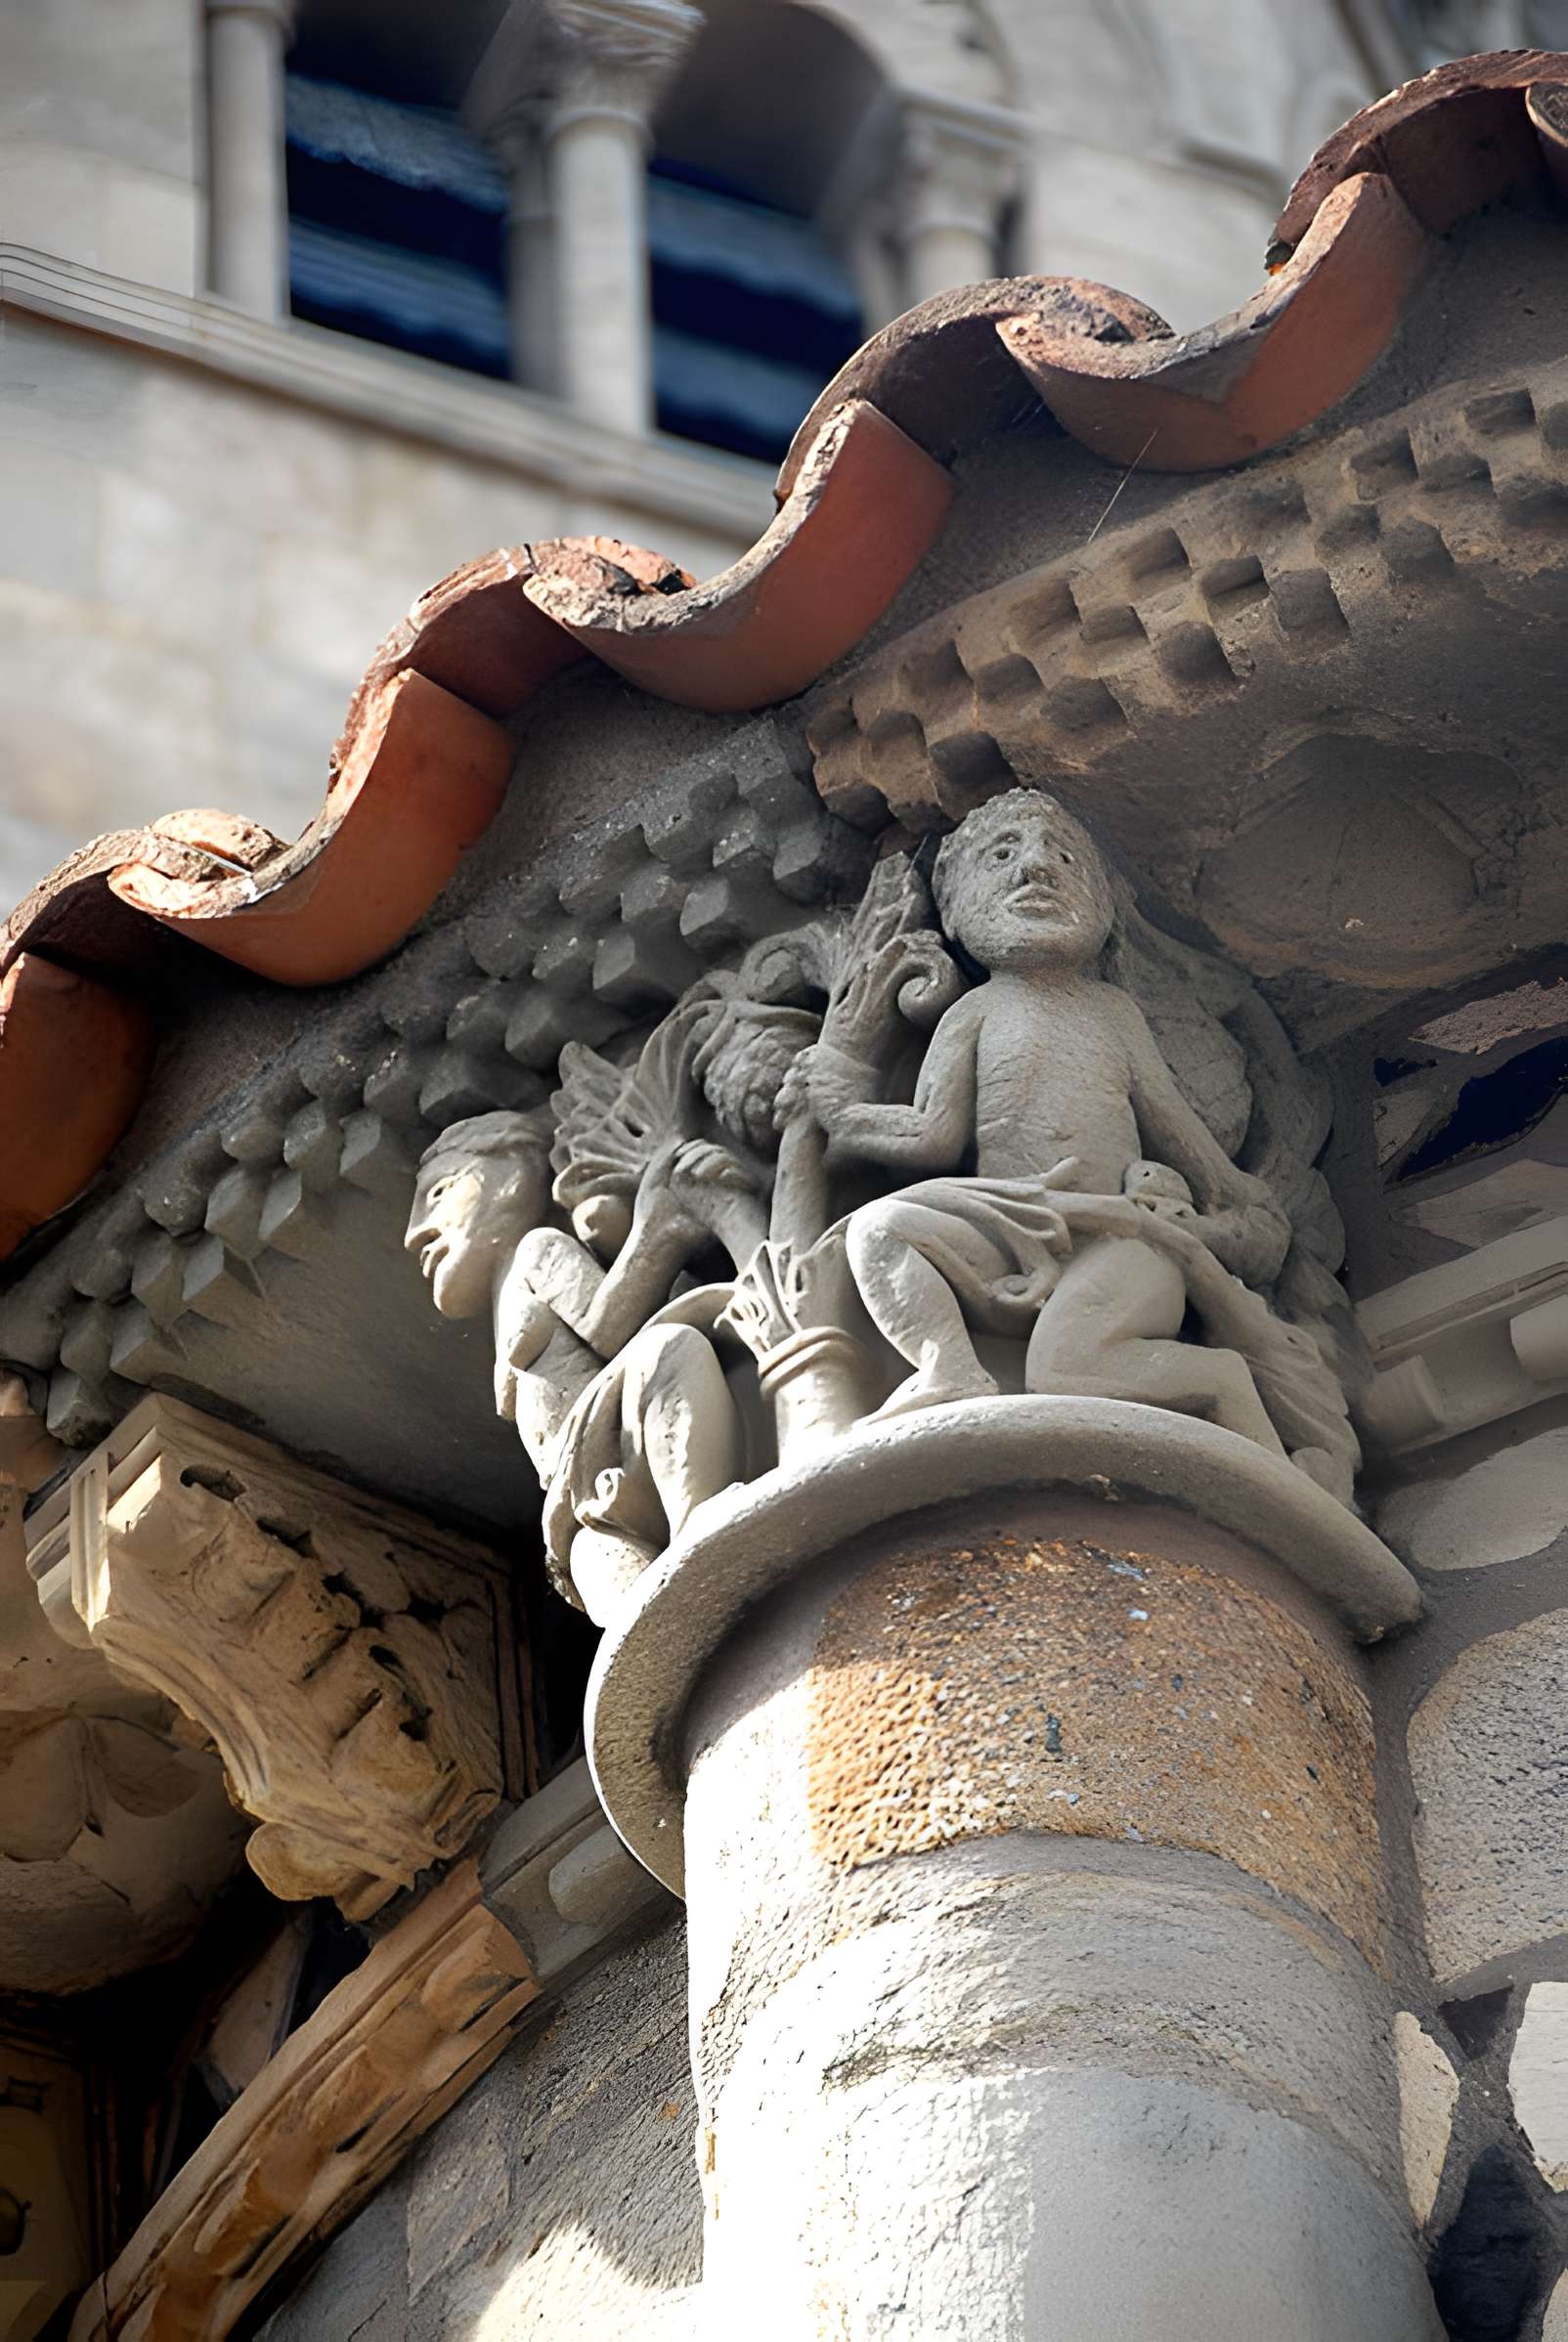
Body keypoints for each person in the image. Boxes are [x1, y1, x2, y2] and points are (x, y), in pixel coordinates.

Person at [794, 791, 1293, 1450]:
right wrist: (841, 1114)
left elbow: (1179, 1132)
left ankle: (1229, 1392)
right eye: (1003, 854)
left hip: (1117, 1238)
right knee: (881, 1229)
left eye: (1061, 854)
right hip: (1011, 1220)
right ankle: (951, 1371)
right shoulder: (971, 1013)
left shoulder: (1112, 1011)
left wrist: (1228, 1210)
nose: (1036, 869)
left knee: (1063, 1367)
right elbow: (933, 1133)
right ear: (958, 904)